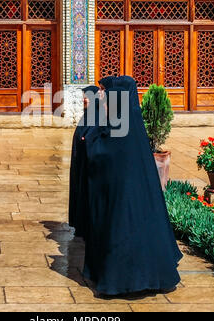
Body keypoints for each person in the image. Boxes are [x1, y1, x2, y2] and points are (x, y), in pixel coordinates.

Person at [83, 79, 182, 295]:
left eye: (105, 94)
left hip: (120, 204)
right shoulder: (128, 127)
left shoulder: (117, 129)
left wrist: (91, 138)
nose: (102, 98)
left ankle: (122, 282)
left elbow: (100, 153)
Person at [69, 85, 100, 239]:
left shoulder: (97, 116)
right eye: (84, 96)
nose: (84, 99)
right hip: (80, 164)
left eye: (87, 96)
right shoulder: (88, 116)